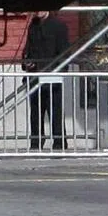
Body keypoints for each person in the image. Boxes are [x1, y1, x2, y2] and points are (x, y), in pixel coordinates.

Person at [23, 12, 70, 150]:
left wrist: (59, 71)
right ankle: (36, 142)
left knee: (55, 111)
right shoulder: (33, 26)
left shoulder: (58, 26)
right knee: (35, 112)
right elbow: (28, 49)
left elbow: (64, 53)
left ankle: (59, 142)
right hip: (35, 76)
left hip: (52, 76)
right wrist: (26, 62)